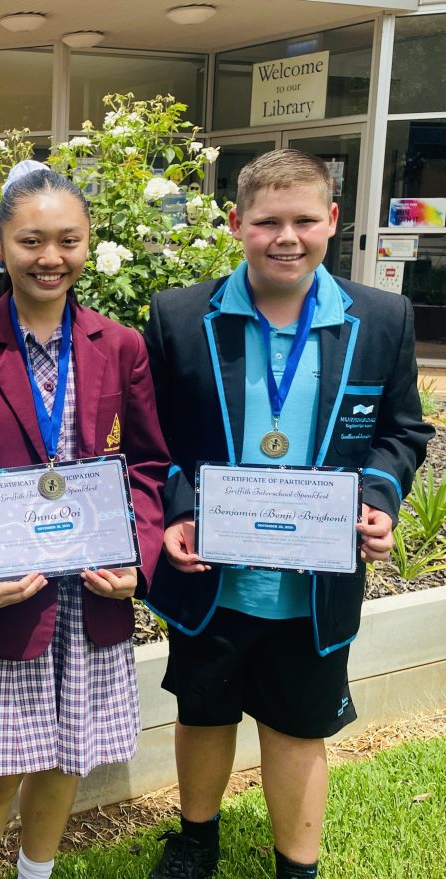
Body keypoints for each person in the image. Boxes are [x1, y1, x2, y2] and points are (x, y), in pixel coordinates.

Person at [143, 149, 433, 879]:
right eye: (267, 220)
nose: (286, 236)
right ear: (237, 223)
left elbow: (404, 430)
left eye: (305, 219)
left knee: (301, 723)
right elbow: (155, 438)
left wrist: (376, 498)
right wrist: (177, 509)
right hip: (213, 572)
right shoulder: (181, 315)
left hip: (315, 581)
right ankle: (194, 840)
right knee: (204, 711)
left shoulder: (382, 317)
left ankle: (296, 867)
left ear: (333, 221)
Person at [0, 161, 168, 879]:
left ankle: (35, 873)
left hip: (92, 593)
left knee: (67, 754)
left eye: (68, 240)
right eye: (31, 241)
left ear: (87, 244)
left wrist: (137, 560)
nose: (50, 257)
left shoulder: (120, 347)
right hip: (7, 597)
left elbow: (147, 466)